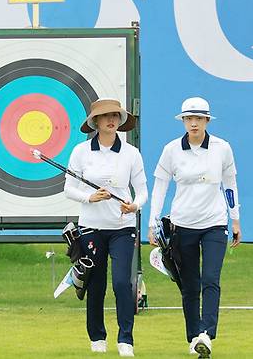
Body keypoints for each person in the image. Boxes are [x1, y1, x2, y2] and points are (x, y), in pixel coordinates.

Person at [148, 97, 241, 359]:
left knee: (211, 279)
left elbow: (230, 185)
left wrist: (235, 219)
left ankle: (206, 334)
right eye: (189, 118)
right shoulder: (171, 150)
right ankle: (193, 338)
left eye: (198, 118)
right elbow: (160, 187)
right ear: (183, 121)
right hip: (182, 225)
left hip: (214, 223)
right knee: (189, 286)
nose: (193, 123)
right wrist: (153, 223)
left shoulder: (222, 148)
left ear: (207, 121)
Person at [64, 98, 147, 357]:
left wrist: (134, 206)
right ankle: (97, 337)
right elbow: (69, 188)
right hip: (91, 227)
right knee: (96, 283)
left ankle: (126, 340)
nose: (111, 120)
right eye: (105, 116)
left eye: (115, 115)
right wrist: (90, 197)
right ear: (95, 122)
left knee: (122, 282)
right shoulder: (81, 151)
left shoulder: (131, 153)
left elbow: (142, 191)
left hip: (122, 226)